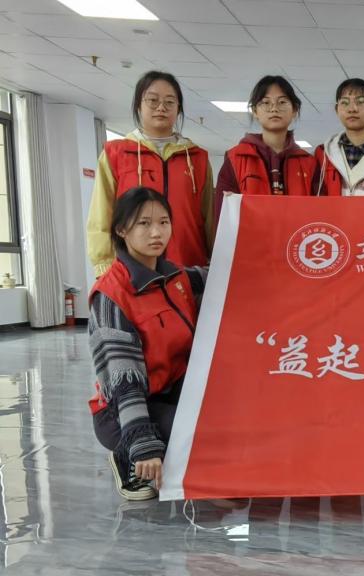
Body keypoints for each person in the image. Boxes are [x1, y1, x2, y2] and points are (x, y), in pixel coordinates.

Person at [88, 187, 207, 500]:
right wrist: (142, 443)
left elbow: (225, 274)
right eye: (144, 223)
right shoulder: (111, 295)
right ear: (121, 229)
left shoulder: (175, 278)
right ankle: (126, 454)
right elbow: (124, 380)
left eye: (164, 222)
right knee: (198, 437)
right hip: (123, 410)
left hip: (174, 394)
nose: (157, 232)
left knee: (225, 424)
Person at [87, 71, 214, 276]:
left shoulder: (197, 158)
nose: (161, 107)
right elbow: (101, 214)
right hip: (132, 272)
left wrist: (218, 264)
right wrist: (104, 266)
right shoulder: (116, 154)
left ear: (178, 108)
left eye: (169, 102)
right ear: (139, 105)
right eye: (153, 100)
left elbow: (210, 219)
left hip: (188, 268)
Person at [217, 76, 315, 212]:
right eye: (266, 102)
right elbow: (223, 215)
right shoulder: (235, 159)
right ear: (255, 111)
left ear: (294, 110)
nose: (274, 108)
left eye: (282, 102)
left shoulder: (309, 163)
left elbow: (319, 214)